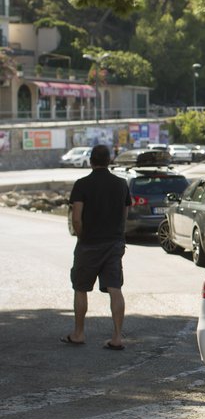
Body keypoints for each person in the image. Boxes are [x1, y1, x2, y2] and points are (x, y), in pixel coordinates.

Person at [61, 144, 131, 350]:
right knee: (115, 288)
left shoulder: (82, 184)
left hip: (89, 243)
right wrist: (118, 234)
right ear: (109, 161)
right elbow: (125, 213)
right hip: (114, 243)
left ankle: (79, 333)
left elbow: (76, 218)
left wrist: (82, 236)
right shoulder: (121, 184)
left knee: (80, 287)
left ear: (91, 161)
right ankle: (117, 337)